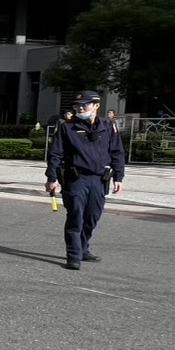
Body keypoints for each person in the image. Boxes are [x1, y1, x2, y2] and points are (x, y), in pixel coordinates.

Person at [45, 90, 124, 271]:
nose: (80, 108)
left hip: (99, 179)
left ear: (96, 106)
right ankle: (74, 255)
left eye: (85, 105)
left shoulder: (109, 126)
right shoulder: (67, 127)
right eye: (78, 105)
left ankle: (82, 248)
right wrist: (52, 177)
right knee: (76, 216)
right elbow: (55, 154)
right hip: (76, 178)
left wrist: (119, 177)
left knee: (92, 217)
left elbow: (117, 153)